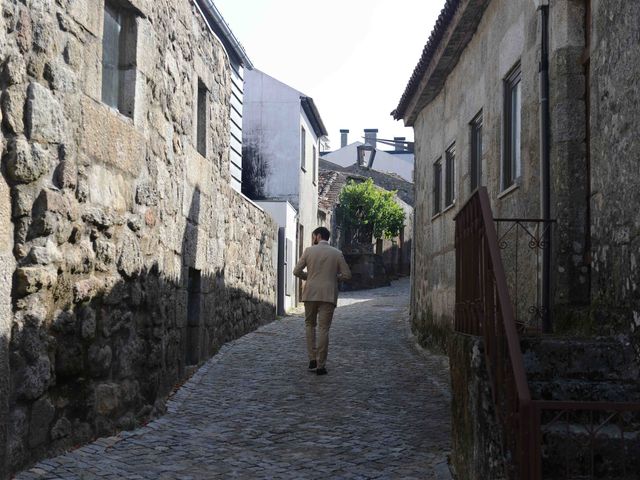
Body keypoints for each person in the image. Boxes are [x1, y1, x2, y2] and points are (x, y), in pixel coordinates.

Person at [293, 226, 351, 375]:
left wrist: (310, 277)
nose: (314, 239)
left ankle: (312, 358)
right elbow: (347, 275)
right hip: (328, 295)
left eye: (314, 236)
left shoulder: (308, 251)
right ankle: (321, 365)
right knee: (324, 329)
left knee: (309, 325)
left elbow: (296, 271)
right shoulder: (337, 253)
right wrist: (334, 278)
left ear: (318, 236)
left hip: (310, 293)